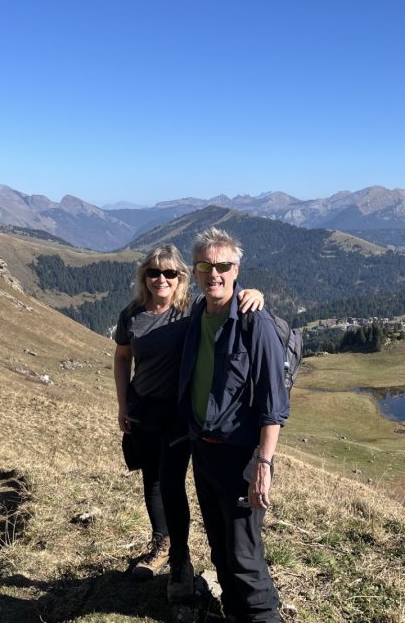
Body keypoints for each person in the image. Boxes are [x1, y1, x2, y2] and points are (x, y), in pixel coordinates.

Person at [114, 244, 264, 603]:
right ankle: (162, 546)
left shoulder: (189, 311)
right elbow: (122, 357)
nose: (160, 279)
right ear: (144, 277)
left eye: (169, 273)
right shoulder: (132, 315)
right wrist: (123, 405)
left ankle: (181, 561)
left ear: (181, 277)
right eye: (153, 272)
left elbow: (222, 297)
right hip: (143, 411)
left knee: (170, 483)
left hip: (180, 417)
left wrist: (254, 293)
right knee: (151, 481)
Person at [179, 228, 289, 622]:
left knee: (244, 554)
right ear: (195, 271)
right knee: (219, 547)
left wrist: (264, 463)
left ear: (236, 268)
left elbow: (274, 404)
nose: (215, 274)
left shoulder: (253, 321)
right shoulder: (196, 313)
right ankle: (235, 614)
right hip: (204, 451)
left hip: (241, 456)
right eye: (206, 266)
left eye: (223, 266)